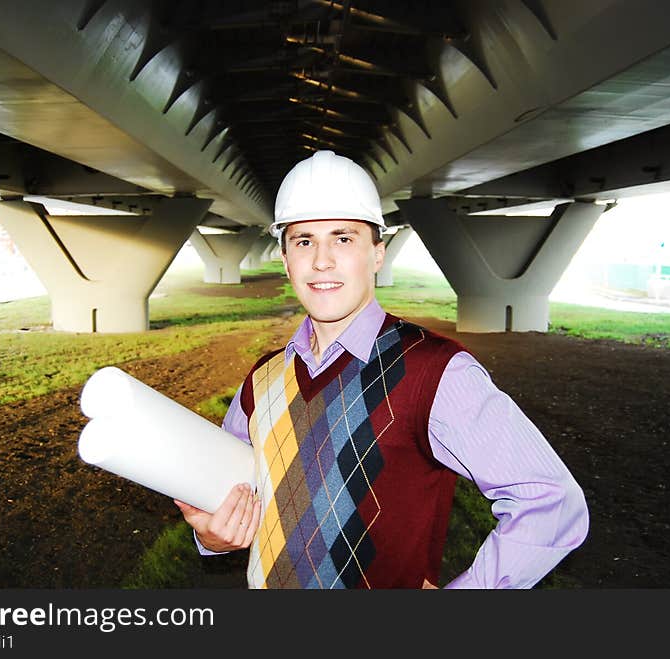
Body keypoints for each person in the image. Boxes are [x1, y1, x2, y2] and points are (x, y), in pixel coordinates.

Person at [175, 150, 589, 589]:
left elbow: (552, 502)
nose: (321, 260)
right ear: (285, 257)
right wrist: (213, 536)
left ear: (377, 254)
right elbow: (234, 503)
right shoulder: (261, 380)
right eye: (304, 241)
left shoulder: (435, 371)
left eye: (343, 238)